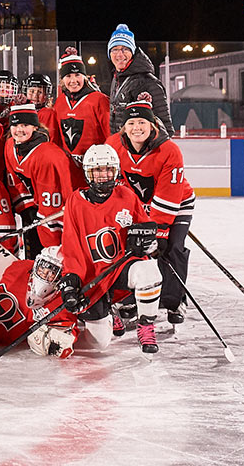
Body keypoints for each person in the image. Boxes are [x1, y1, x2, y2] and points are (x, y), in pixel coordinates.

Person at [57, 144, 164, 354]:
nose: (103, 175)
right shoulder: (75, 202)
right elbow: (71, 245)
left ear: (115, 171)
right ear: (88, 173)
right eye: (97, 170)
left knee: (149, 271)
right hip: (94, 275)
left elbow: (145, 230)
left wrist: (149, 244)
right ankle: (108, 312)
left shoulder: (126, 195)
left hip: (121, 267)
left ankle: (146, 326)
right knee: (99, 344)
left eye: (107, 169)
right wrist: (71, 280)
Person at [106, 96, 194, 324]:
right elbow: (115, 187)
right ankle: (131, 297)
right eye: (131, 123)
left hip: (177, 204)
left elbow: (169, 196)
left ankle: (175, 302)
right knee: (129, 246)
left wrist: (159, 231)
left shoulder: (169, 150)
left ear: (152, 125)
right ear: (124, 127)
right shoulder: (113, 146)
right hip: (137, 208)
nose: (136, 128)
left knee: (170, 248)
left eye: (142, 123)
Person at [4, 104, 83, 257]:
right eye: (15, 125)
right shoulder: (9, 145)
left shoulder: (47, 155)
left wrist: (50, 250)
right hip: (39, 202)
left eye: (25, 125)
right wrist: (25, 207)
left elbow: (54, 205)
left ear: (35, 127)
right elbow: (15, 180)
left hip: (69, 200)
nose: (19, 130)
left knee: (54, 250)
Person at [106, 23, 172, 135]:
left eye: (125, 49)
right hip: (121, 147)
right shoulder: (118, 78)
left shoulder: (147, 81)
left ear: (132, 52)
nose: (119, 54)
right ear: (109, 53)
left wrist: (144, 150)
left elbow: (165, 128)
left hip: (139, 150)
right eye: (115, 49)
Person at [54, 47, 111, 163]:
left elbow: (110, 135)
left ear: (84, 77)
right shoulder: (60, 101)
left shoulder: (99, 100)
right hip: (68, 165)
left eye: (77, 75)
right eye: (68, 76)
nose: (73, 80)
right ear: (62, 79)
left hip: (96, 167)